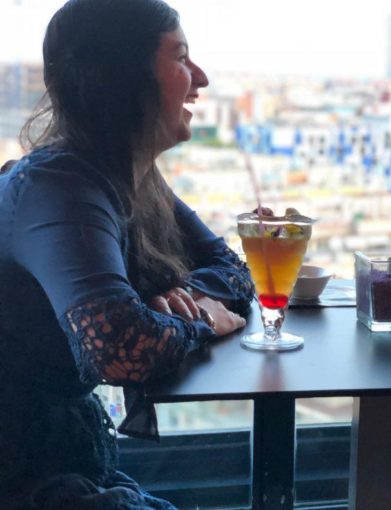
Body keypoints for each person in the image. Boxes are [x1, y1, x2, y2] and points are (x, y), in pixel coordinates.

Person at [0, 0, 254, 508]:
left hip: (59, 465)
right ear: (123, 76)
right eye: (180, 57)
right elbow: (119, 347)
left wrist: (185, 303)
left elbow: (235, 271)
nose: (199, 77)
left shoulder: (128, 178)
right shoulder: (60, 188)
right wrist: (202, 318)